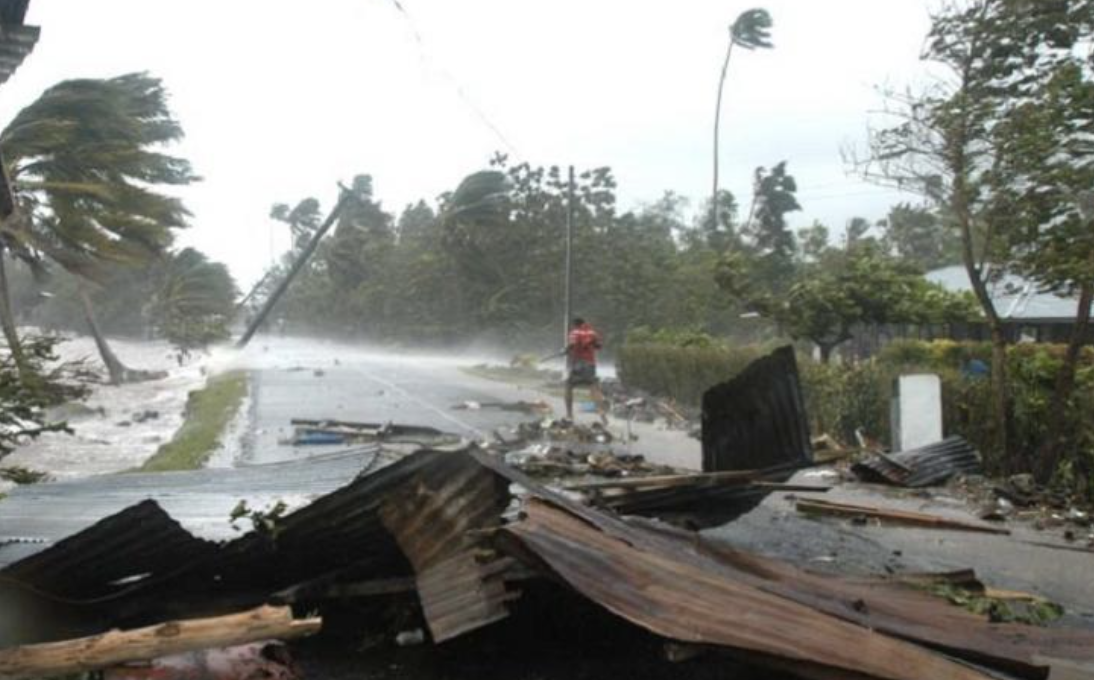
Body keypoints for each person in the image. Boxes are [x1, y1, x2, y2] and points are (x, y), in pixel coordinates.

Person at [564, 317, 608, 423]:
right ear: (584, 323)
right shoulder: (592, 333)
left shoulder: (575, 332)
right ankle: (602, 413)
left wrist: (566, 349)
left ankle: (569, 415)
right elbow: (598, 346)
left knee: (568, 385)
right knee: (594, 388)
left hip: (578, 364)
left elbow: (572, 344)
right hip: (590, 364)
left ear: (575, 324)